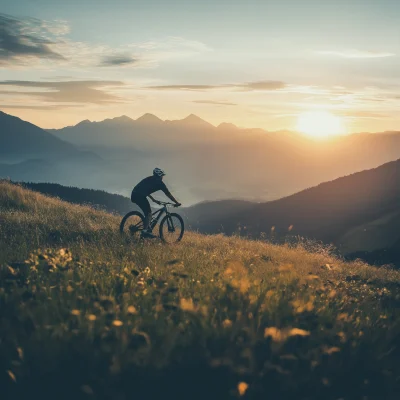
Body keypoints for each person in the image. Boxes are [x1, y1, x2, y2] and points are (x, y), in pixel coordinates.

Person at [131, 168, 181, 238]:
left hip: (134, 194)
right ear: (159, 176)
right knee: (149, 214)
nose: (162, 177)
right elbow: (168, 194)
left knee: (147, 214)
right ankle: (145, 232)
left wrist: (153, 199)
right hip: (140, 196)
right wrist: (176, 202)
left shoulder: (149, 179)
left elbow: (144, 190)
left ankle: (146, 228)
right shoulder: (160, 183)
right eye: (162, 176)